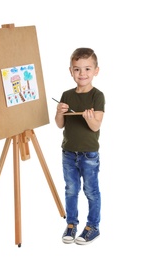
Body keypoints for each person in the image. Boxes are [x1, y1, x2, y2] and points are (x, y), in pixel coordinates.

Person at [54, 47, 105, 245]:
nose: (82, 74)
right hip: (68, 153)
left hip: (89, 154)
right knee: (70, 190)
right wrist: (59, 111)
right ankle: (71, 224)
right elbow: (60, 124)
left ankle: (93, 227)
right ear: (70, 71)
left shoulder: (97, 96)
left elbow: (96, 126)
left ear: (96, 71)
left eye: (87, 69)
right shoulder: (66, 95)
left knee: (91, 191)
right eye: (77, 69)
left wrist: (89, 118)